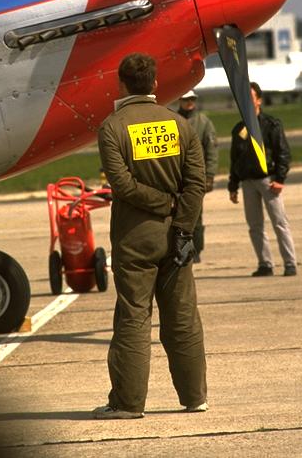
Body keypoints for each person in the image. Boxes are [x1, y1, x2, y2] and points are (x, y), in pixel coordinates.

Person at [94, 52, 207, 419]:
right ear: (155, 84)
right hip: (178, 236)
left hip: (134, 238)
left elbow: (122, 185)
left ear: (121, 84)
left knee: (133, 318)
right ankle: (195, 398)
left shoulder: (112, 128)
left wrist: (161, 204)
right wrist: (182, 226)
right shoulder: (179, 125)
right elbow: (196, 184)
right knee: (183, 317)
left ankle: (127, 403)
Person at [228, 81, 297, 277]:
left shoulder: (271, 125)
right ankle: (265, 264)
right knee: (255, 226)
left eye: (250, 98)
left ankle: (290, 263)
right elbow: (235, 159)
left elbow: (283, 153)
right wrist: (233, 185)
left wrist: (280, 179)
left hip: (268, 181)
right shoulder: (238, 130)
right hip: (247, 182)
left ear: (259, 100)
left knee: (279, 222)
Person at [177, 90, 218, 262]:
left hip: (195, 177)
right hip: (176, 177)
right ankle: (178, 248)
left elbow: (212, 150)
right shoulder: (172, 120)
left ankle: (196, 250)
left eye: (192, 99)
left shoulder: (204, 122)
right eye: (186, 99)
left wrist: (209, 176)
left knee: (195, 215)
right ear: (180, 100)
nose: (189, 102)